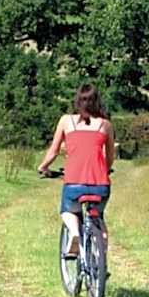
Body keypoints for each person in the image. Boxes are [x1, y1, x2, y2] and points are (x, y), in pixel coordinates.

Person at [37, 84, 116, 256]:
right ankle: (101, 257)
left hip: (74, 182)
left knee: (68, 211)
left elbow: (54, 151)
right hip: (100, 184)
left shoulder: (66, 121)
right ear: (97, 102)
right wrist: (105, 169)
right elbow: (110, 156)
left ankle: (74, 232)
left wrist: (43, 167)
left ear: (77, 101)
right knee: (98, 217)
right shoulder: (106, 125)